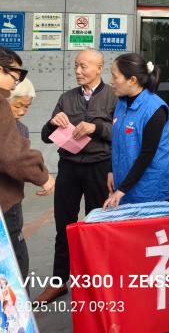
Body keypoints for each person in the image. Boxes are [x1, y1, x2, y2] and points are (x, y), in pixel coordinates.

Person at [37, 49, 117, 303]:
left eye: (83, 66)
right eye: (75, 66)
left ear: (99, 68)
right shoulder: (67, 97)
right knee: (64, 225)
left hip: (100, 167)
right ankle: (59, 282)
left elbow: (122, 134)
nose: (78, 71)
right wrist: (52, 123)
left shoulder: (113, 96)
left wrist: (96, 127)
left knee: (96, 226)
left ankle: (96, 282)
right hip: (69, 167)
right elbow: (45, 136)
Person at [0, 48, 53, 280]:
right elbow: (12, 156)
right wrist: (44, 176)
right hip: (5, 202)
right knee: (14, 261)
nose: (16, 81)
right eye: (16, 75)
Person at [104, 54, 169, 208]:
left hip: (148, 190)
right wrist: (111, 171)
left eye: (115, 76)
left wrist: (121, 190)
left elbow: (147, 155)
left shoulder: (155, 109)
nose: (111, 81)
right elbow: (116, 142)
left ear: (132, 80)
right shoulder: (121, 104)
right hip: (124, 186)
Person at [6, 78, 37, 279]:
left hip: (11, 203)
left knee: (16, 253)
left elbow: (21, 163)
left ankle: (19, 296)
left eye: (27, 107)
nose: (23, 111)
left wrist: (38, 176)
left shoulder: (21, 129)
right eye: (18, 106)